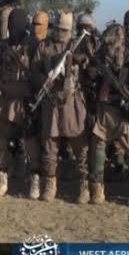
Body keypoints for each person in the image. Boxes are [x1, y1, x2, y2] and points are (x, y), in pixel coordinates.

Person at [31, 11, 89, 203]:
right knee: (50, 144)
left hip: (72, 102)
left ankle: (84, 185)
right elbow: (34, 70)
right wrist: (45, 79)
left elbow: (88, 67)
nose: (60, 33)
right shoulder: (44, 46)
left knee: (79, 145)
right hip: (50, 100)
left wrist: (78, 61)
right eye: (57, 29)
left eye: (64, 30)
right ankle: (50, 184)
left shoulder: (77, 44)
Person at [89, 23, 129, 206]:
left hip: (123, 109)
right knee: (99, 146)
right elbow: (93, 76)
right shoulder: (101, 56)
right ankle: (97, 189)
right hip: (104, 107)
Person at [0, 8, 37, 198]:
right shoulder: (2, 46)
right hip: (6, 96)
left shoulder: (34, 45)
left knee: (31, 140)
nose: (13, 28)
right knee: (2, 139)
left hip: (27, 97)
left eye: (16, 24)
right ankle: (2, 177)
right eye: (11, 24)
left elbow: (40, 72)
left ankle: (35, 178)